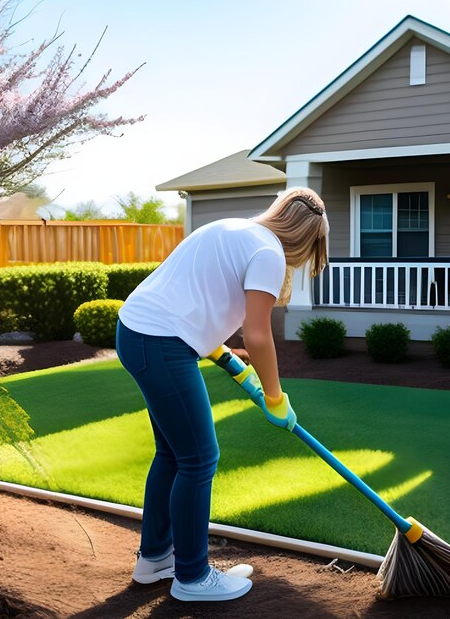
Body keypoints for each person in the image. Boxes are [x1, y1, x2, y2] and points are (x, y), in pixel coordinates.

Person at [115, 186, 329, 602]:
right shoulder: (269, 254)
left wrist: (219, 348)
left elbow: (193, 293)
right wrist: (274, 397)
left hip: (138, 332)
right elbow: (259, 335)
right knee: (199, 458)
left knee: (174, 455)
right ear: (306, 239)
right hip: (161, 342)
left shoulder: (232, 228)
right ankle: (192, 577)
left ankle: (156, 559)